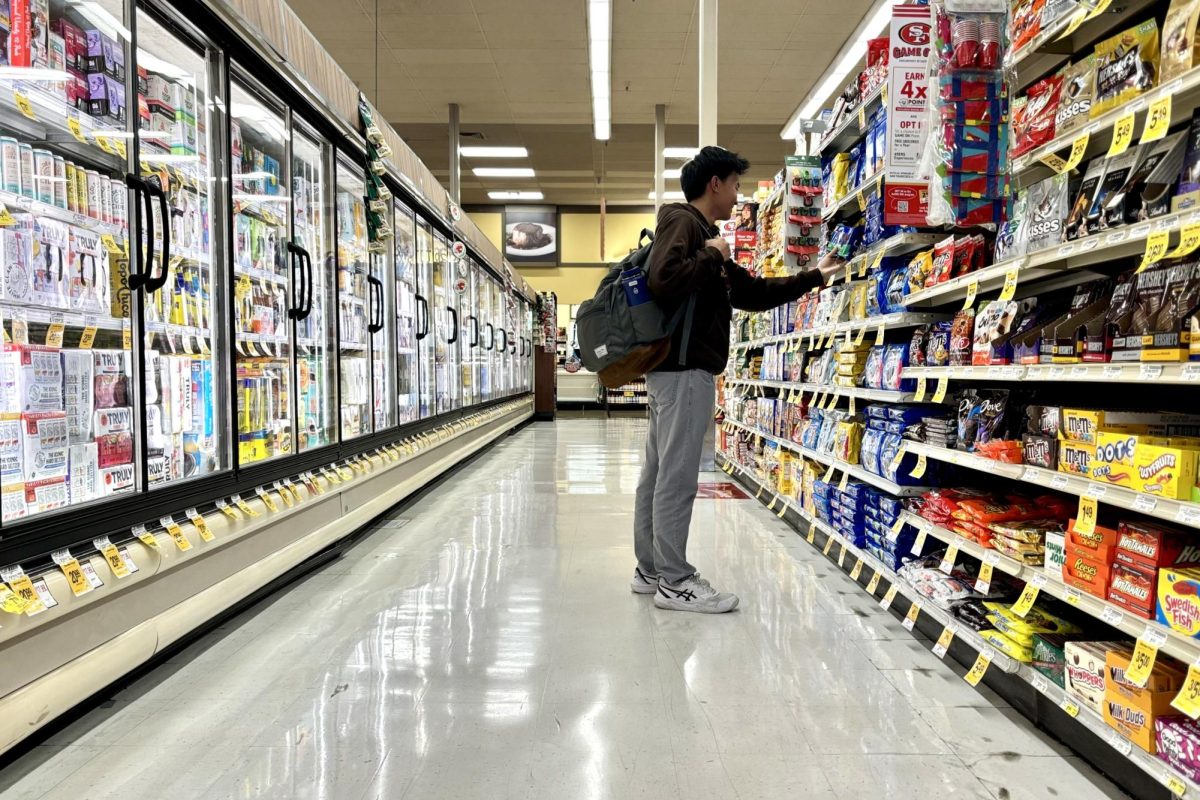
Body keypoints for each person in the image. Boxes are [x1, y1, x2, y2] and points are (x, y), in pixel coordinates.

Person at [632, 146, 842, 613]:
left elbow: (749, 292)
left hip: (673, 374)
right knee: (676, 478)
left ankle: (650, 569)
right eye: (735, 185)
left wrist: (813, 277)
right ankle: (674, 580)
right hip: (684, 374)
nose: (738, 195)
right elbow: (664, 280)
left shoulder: (701, 235)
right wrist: (711, 255)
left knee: (658, 473)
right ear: (715, 184)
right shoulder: (684, 224)